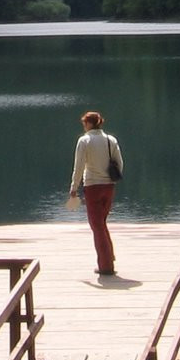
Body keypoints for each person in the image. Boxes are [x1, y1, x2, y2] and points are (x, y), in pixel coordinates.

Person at [69, 110, 121, 275]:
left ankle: (105, 266)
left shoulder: (84, 141)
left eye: (84, 123)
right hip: (109, 186)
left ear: (90, 123)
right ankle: (109, 256)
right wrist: (111, 179)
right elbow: (119, 163)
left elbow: (79, 166)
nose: (83, 126)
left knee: (96, 226)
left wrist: (74, 187)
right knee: (102, 223)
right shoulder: (110, 140)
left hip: (92, 186)